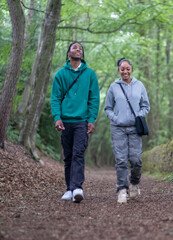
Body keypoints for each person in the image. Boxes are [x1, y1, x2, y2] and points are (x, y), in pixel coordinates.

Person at [50, 42, 100, 203]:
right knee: (68, 156)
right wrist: (57, 117)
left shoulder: (90, 74)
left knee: (78, 153)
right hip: (65, 121)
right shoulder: (60, 75)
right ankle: (69, 189)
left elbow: (94, 99)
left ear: (82, 54)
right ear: (68, 53)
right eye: (74, 48)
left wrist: (91, 119)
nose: (78, 49)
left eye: (80, 48)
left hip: (82, 121)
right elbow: (55, 98)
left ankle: (77, 188)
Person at [104, 58, 150, 203]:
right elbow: (107, 108)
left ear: (132, 69)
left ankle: (135, 183)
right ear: (119, 70)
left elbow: (146, 106)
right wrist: (115, 118)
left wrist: (139, 115)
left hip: (135, 128)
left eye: (127, 69)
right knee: (121, 160)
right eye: (122, 69)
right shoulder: (114, 87)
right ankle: (122, 189)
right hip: (118, 128)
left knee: (136, 159)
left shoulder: (139, 85)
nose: (125, 71)